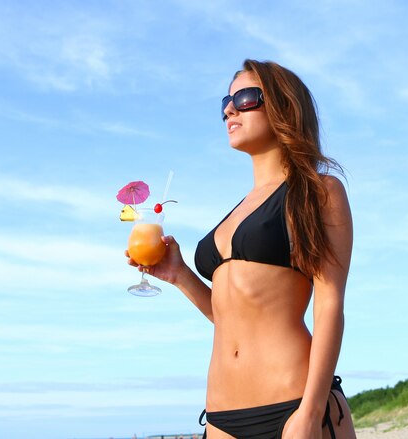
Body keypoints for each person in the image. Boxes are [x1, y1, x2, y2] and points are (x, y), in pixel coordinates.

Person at [126, 59, 356, 438]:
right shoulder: (237, 209)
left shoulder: (317, 191)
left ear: (284, 105)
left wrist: (311, 412)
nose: (230, 109)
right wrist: (181, 275)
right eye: (226, 103)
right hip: (223, 417)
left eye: (246, 98)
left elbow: (330, 306)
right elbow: (235, 318)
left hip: (293, 404)